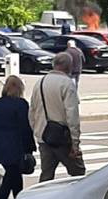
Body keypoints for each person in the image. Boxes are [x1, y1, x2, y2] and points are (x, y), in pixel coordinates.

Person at [29, 52, 86, 182]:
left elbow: (32, 112)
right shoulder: (66, 84)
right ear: (69, 66)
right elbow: (72, 116)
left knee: (46, 176)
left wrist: (38, 132)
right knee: (79, 174)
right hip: (62, 139)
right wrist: (75, 143)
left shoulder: (40, 83)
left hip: (44, 137)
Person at [0, 75, 36, 199]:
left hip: (0, 146)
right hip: (15, 147)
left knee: (14, 176)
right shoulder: (21, 104)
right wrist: (29, 148)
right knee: (11, 177)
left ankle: (19, 197)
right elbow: (25, 128)